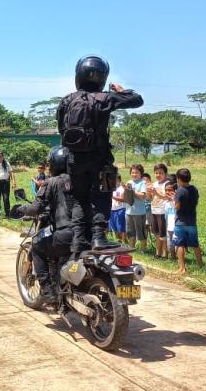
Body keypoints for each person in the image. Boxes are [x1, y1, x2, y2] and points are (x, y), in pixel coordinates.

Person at [56, 55, 143, 257]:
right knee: (102, 195)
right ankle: (98, 237)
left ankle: (79, 240)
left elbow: (61, 128)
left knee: (79, 199)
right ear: (102, 77)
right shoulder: (105, 98)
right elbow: (137, 100)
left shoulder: (67, 100)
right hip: (101, 158)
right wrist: (121, 91)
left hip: (75, 159)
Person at [15, 145, 75, 303]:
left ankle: (48, 290)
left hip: (66, 234)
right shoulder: (81, 181)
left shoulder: (51, 183)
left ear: (54, 164)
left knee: (36, 245)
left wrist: (22, 208)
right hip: (87, 234)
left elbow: (36, 207)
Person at [173, 168, 203, 274]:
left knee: (180, 245)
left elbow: (177, 206)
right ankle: (201, 265)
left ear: (179, 179)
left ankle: (182, 268)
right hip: (192, 221)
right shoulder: (194, 189)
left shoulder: (179, 191)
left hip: (180, 222)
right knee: (195, 244)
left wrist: (173, 201)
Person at [148, 164, 169, 259]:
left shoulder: (167, 184)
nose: (158, 175)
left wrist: (156, 193)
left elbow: (168, 197)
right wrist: (148, 193)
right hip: (154, 211)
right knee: (157, 234)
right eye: (156, 173)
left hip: (162, 212)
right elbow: (150, 198)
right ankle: (158, 253)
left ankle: (165, 254)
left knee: (163, 235)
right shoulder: (154, 184)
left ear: (165, 174)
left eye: (160, 173)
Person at [125, 164, 148, 251]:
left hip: (139, 212)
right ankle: (131, 248)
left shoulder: (142, 182)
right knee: (130, 232)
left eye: (136, 172)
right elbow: (126, 197)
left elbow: (143, 196)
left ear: (141, 173)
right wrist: (126, 189)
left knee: (141, 232)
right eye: (132, 172)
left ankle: (143, 249)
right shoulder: (129, 182)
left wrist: (132, 190)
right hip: (128, 211)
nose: (134, 174)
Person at [0, 152, 16, 217]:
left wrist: (13, 182)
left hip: (6, 183)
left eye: (0, 156)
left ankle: (7, 214)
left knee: (6, 198)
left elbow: (11, 173)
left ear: (3, 156)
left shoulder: (7, 163)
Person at [108, 174, 126, 244]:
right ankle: (118, 241)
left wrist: (112, 196)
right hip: (112, 210)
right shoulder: (110, 188)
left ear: (119, 180)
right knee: (114, 227)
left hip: (120, 209)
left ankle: (124, 242)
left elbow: (123, 199)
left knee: (121, 228)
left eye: (116, 179)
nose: (114, 181)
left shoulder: (121, 189)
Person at [164, 180, 178, 260]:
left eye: (170, 190)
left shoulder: (177, 202)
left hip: (177, 227)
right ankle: (173, 258)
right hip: (169, 227)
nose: (167, 192)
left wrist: (174, 199)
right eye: (166, 190)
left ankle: (180, 259)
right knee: (170, 244)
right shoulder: (166, 203)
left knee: (178, 245)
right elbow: (166, 216)